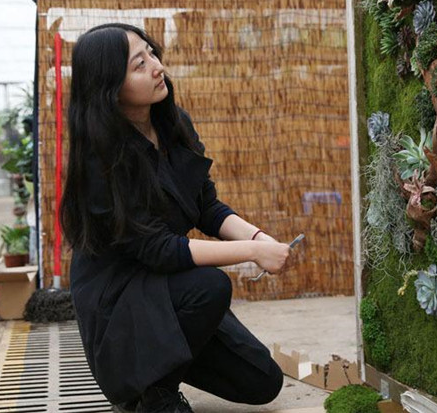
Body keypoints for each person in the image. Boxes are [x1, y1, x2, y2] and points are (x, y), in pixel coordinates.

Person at [60, 23, 292, 413]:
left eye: (151, 53)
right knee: (210, 287)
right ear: (109, 88)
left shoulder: (172, 124)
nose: (156, 67)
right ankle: (152, 394)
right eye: (139, 64)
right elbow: (159, 250)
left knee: (262, 381)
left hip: (167, 287)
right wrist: (251, 252)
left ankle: (164, 359)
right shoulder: (101, 159)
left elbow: (206, 206)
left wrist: (259, 238)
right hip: (120, 299)